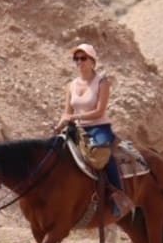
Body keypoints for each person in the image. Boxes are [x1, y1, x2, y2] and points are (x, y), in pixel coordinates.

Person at [54, 43, 133, 218]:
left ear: (92, 61)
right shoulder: (71, 85)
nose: (79, 62)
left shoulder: (102, 82)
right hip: (78, 128)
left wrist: (73, 118)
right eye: (76, 59)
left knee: (102, 155)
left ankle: (118, 196)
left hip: (98, 127)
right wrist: (59, 126)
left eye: (83, 58)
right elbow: (67, 112)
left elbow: (99, 111)